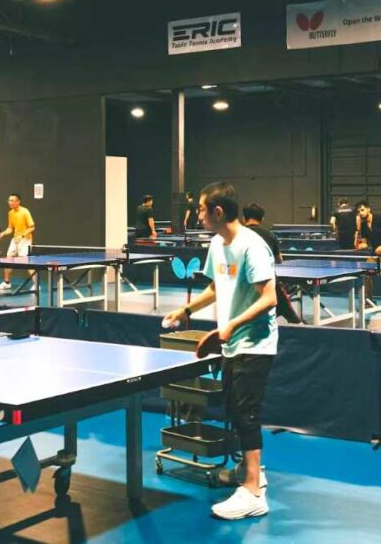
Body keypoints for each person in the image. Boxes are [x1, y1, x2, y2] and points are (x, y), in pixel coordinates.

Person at [162, 182, 276, 520]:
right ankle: (250, 471)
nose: (197, 214)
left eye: (200, 208)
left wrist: (229, 326)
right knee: (234, 407)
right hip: (232, 343)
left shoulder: (251, 247)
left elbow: (269, 297)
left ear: (218, 212)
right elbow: (216, 287)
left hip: (255, 343)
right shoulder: (216, 244)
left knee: (246, 412)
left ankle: (254, 492)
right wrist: (186, 310)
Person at [242, 203, 301, 324]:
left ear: (244, 218)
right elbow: (279, 259)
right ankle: (298, 328)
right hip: (268, 280)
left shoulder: (239, 234)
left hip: (243, 282)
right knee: (287, 310)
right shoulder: (270, 234)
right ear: (262, 218)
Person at [0, 193, 36, 291]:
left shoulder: (25, 212)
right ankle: (7, 283)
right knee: (8, 260)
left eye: (12, 200)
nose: (10, 202)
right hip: (15, 239)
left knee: (27, 262)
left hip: (25, 239)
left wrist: (22, 236)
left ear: (18, 202)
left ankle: (36, 284)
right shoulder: (11, 213)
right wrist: (3, 234)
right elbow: (10, 228)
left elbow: (32, 227)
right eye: (9, 200)